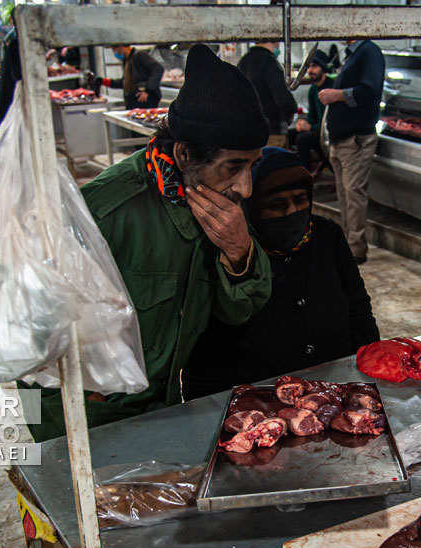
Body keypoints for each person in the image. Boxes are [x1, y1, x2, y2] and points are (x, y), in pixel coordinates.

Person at [26, 44, 272, 442]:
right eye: (233, 167)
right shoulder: (102, 213)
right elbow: (25, 329)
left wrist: (239, 253)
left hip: (162, 405)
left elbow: (240, 310)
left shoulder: (218, 204)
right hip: (85, 416)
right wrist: (83, 388)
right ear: (184, 153)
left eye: (252, 165)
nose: (245, 186)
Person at [183, 148, 379, 399]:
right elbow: (206, 352)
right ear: (251, 208)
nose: (292, 211)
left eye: (300, 199)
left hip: (336, 386)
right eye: (276, 205)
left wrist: (371, 368)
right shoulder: (233, 252)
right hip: (262, 401)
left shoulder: (327, 235)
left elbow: (358, 306)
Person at [320, 39, 384, 264]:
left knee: (353, 193)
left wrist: (335, 95)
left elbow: (369, 90)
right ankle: (348, 243)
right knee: (345, 194)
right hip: (341, 139)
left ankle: (356, 248)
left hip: (356, 139)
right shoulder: (351, 54)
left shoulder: (369, 52)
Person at [237, 41, 297, 149]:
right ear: (274, 41)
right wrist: (288, 115)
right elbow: (284, 99)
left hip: (248, 132)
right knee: (273, 163)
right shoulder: (270, 62)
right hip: (272, 132)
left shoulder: (243, 62)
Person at [294, 49, 334, 166]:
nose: (310, 70)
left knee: (303, 139)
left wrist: (310, 127)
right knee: (291, 134)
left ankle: (306, 176)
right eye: (308, 67)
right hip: (318, 130)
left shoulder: (331, 87)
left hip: (328, 133)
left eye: (314, 66)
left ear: (323, 67)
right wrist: (303, 125)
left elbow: (328, 123)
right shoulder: (313, 90)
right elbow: (312, 117)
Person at [100, 45, 163, 110]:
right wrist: (104, 81)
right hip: (132, 101)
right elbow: (125, 82)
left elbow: (158, 69)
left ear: (121, 46)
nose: (114, 52)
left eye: (114, 49)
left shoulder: (139, 55)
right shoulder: (127, 60)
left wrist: (148, 90)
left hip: (143, 101)